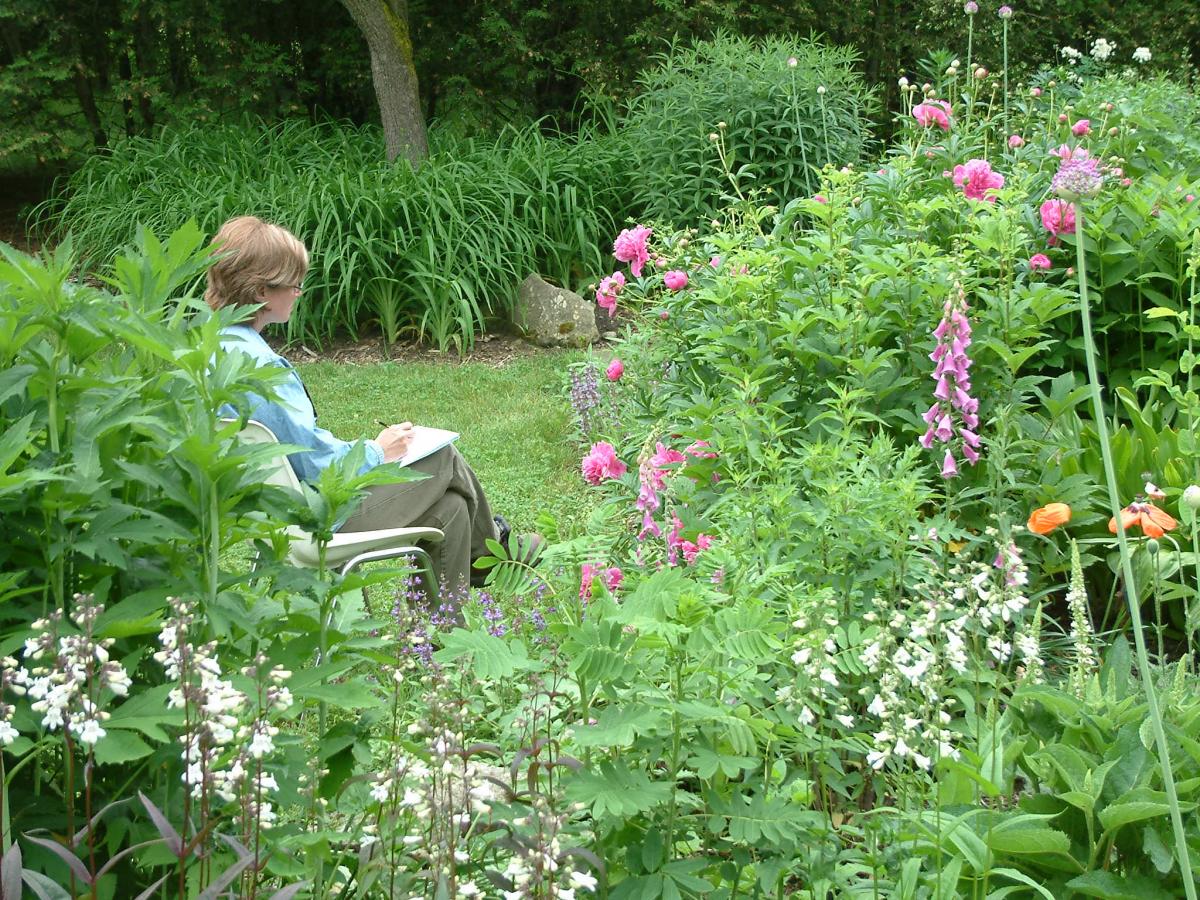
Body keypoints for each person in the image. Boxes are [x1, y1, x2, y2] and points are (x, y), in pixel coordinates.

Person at [205, 215, 530, 602]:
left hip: (269, 516)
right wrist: (378, 450)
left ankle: (438, 646)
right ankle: (493, 556)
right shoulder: (261, 369)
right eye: (293, 283)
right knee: (441, 457)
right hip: (314, 521)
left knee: (452, 508)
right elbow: (315, 465)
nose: (298, 293)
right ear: (261, 291)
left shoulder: (208, 348)